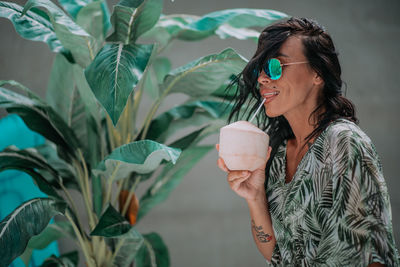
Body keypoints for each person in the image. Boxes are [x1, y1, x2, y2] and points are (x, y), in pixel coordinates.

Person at [216, 17, 399, 266]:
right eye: (260, 68)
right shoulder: (279, 153)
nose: (261, 78)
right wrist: (255, 196)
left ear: (317, 73)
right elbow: (278, 254)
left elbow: (374, 256)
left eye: (275, 66)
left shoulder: (343, 143)